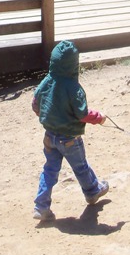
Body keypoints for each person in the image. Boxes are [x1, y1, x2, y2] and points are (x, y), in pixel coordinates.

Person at [32, 40, 110, 221]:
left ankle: (41, 206)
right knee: (81, 166)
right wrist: (99, 118)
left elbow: (35, 102)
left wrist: (44, 115)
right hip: (69, 139)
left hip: (49, 136)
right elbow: (82, 114)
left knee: (49, 170)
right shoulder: (74, 88)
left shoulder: (47, 81)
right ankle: (92, 191)